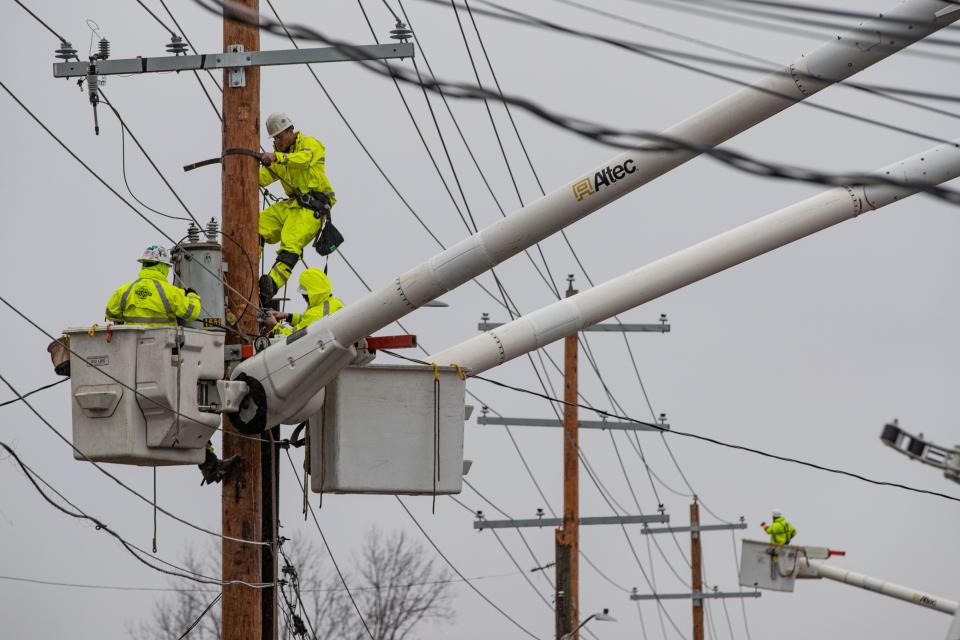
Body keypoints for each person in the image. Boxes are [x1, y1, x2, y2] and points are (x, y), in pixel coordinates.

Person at [105, 244, 238, 485]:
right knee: (187, 409)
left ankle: (208, 465)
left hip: (133, 363)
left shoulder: (125, 291)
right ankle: (208, 464)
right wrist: (193, 294)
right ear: (164, 267)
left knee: (157, 411)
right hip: (165, 362)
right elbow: (192, 311)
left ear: (144, 265)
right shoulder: (168, 291)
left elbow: (110, 311)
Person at [258, 112, 336, 305]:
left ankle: (271, 286)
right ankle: (247, 270)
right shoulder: (279, 154)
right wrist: (242, 168)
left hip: (312, 209)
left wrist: (276, 157)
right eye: (274, 138)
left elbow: (303, 160)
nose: (277, 140)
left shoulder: (309, 144)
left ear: (290, 131)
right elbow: (263, 177)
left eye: (279, 136)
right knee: (257, 226)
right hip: (291, 205)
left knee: (290, 243)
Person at [264, 268, 344, 335]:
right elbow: (309, 321)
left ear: (312, 293)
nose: (304, 298)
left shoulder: (315, 314)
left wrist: (274, 326)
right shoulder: (335, 302)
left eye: (305, 295)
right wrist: (288, 316)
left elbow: (291, 338)